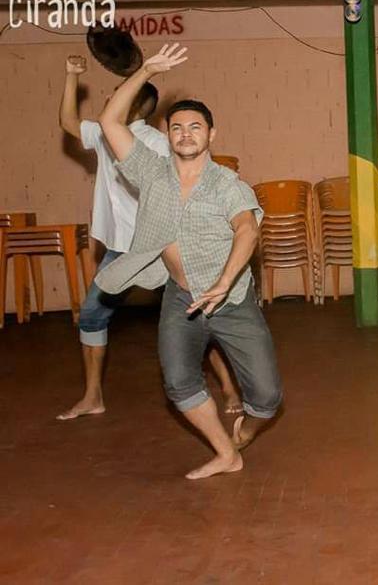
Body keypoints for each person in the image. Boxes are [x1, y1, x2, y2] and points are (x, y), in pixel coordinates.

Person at [94, 43, 282, 479]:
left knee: (267, 397)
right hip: (181, 299)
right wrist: (146, 70)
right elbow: (109, 122)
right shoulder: (150, 172)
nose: (185, 134)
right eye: (177, 128)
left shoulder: (227, 185)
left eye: (195, 127)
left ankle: (245, 431)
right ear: (167, 134)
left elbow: (247, 230)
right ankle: (226, 453)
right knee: (179, 383)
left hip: (231, 301)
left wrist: (224, 281)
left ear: (211, 135)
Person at [56, 54, 242, 421]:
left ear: (134, 104)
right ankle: (93, 396)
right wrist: (71, 76)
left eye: (116, 95)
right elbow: (68, 122)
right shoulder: (103, 134)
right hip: (120, 250)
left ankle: (229, 388)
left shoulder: (157, 144)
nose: (110, 98)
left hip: (160, 248)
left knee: (195, 315)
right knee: (91, 316)